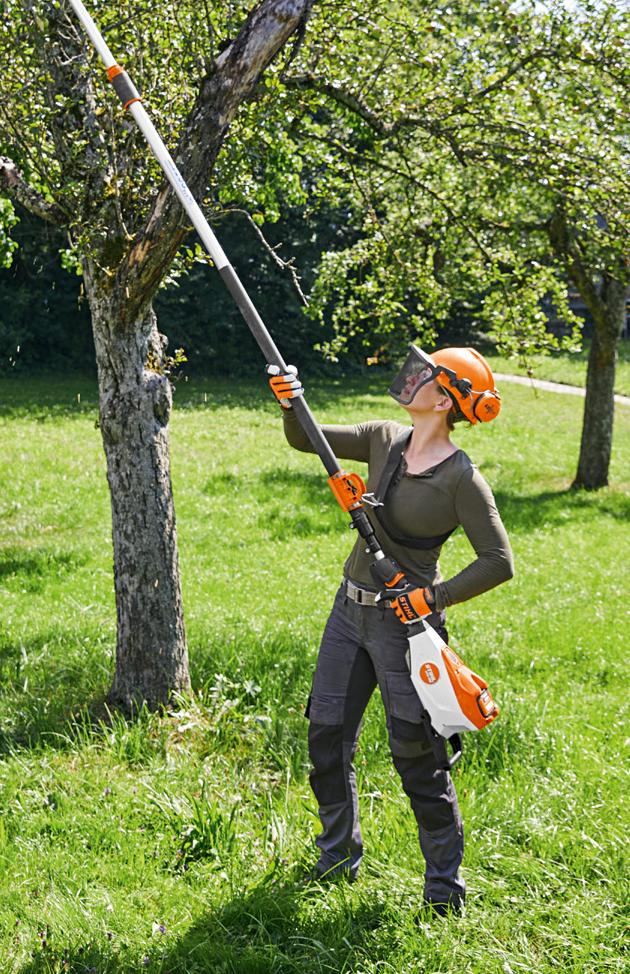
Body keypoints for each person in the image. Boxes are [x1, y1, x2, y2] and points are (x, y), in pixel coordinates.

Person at [268, 345, 514, 917]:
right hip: (348, 613)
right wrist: (289, 402)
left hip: (408, 631)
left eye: (430, 375)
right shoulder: (384, 438)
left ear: (447, 398)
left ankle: (443, 890)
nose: (416, 377)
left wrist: (435, 596)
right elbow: (309, 438)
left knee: (416, 756)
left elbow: (498, 561)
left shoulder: (462, 479)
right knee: (326, 736)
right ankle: (336, 856)